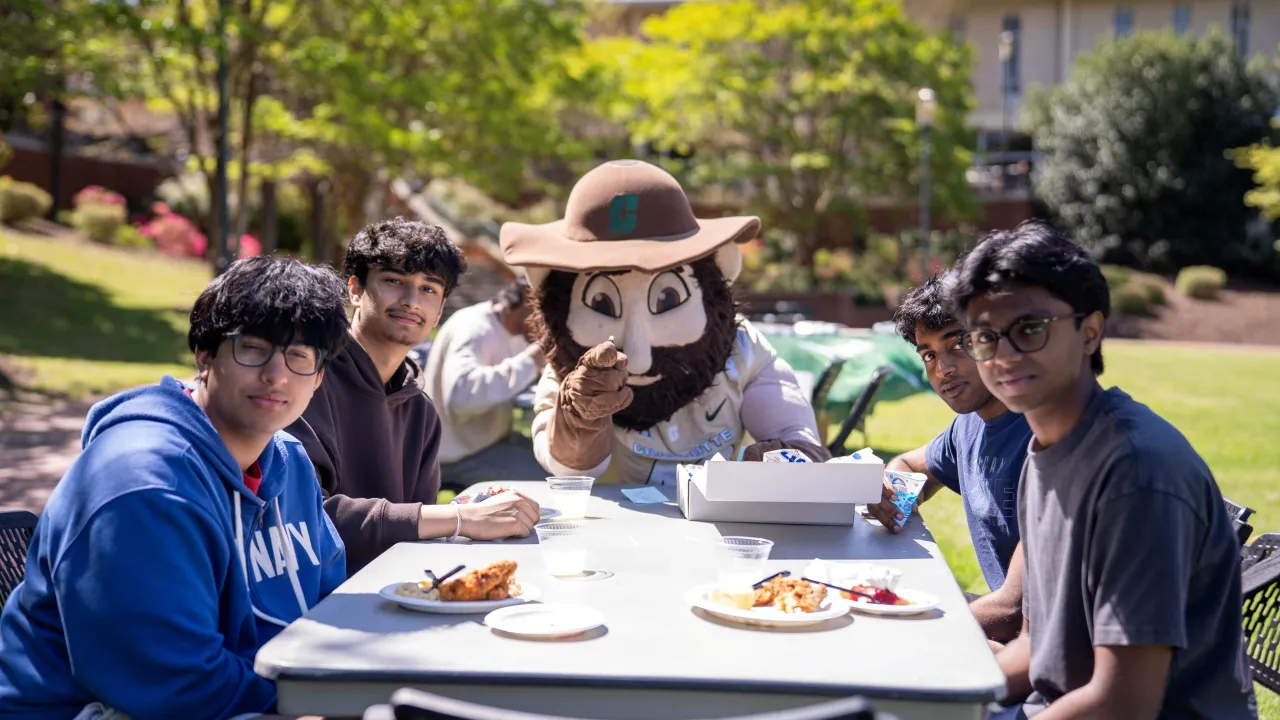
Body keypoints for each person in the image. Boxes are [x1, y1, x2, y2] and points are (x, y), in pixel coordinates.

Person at [0, 257, 349, 719]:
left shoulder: (288, 460)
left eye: (299, 356)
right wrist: (323, 703)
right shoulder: (142, 486)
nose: (276, 374)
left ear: (319, 377)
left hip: (255, 696)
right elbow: (176, 683)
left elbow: (327, 600)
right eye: (254, 347)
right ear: (205, 355)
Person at [945, 221, 1254, 719]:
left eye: (1029, 330)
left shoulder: (1135, 474)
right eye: (983, 337)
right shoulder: (1045, 449)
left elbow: (1123, 703)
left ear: (1090, 331)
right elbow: (1034, 644)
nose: (1003, 356)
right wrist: (931, 691)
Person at [498, 159, 828, 486]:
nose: (637, 360)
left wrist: (790, 457)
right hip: (610, 533)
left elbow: (793, 432)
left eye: (669, 298)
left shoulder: (741, 349)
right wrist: (579, 419)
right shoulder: (568, 371)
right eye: (600, 303)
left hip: (716, 533)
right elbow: (568, 468)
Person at [288, 218, 540, 574]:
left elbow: (418, 533)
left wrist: (465, 515)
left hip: (399, 593)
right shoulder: (307, 382)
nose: (410, 301)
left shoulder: (420, 410)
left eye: (428, 289)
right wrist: (456, 517)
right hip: (317, 600)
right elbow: (303, 520)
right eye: (394, 281)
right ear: (356, 290)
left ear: (439, 312)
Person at [864, 274, 1031, 644]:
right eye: (929, 354)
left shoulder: (1041, 438)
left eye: (958, 345)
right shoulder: (968, 426)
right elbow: (907, 465)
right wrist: (897, 501)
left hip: (1036, 643)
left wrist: (910, 628)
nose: (942, 369)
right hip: (1002, 621)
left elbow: (1014, 609)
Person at [424, 277, 549, 491]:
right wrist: (532, 360)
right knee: (553, 482)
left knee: (558, 459)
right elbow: (461, 397)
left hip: (491, 440)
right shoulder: (473, 328)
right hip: (458, 455)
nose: (547, 326)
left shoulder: (511, 330)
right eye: (546, 317)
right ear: (530, 303)